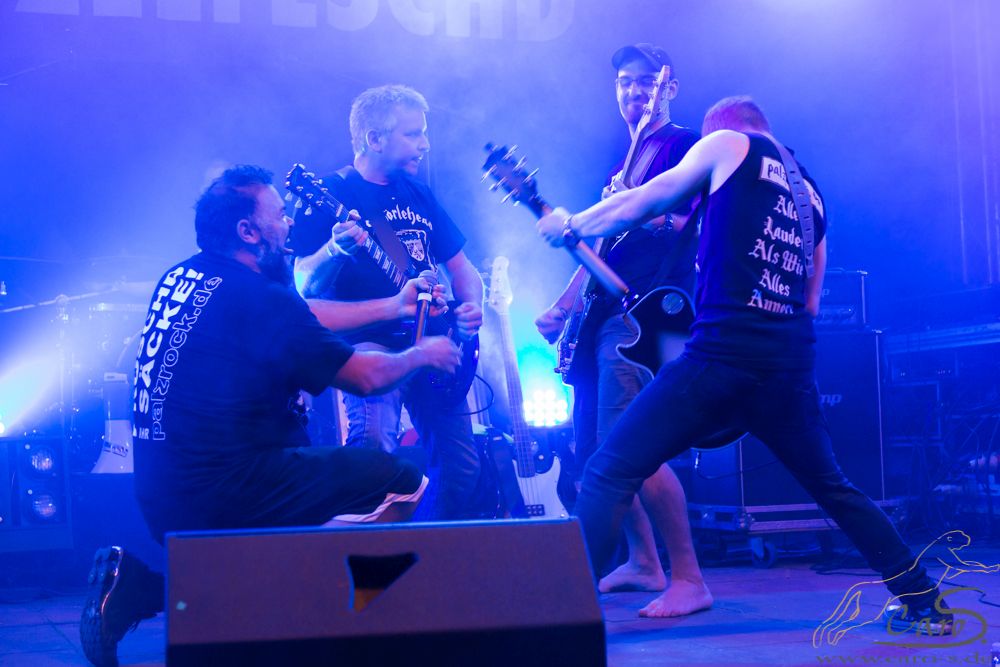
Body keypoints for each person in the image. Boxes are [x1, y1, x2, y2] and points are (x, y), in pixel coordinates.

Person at [537, 96, 953, 635]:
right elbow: (810, 303)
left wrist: (572, 225)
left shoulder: (729, 143)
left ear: (721, 130)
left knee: (607, 471)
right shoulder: (811, 196)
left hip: (721, 357)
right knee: (835, 488)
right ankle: (924, 602)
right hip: (788, 367)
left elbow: (644, 200)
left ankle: (562, 624)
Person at [80, 165, 463, 667]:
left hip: (162, 493)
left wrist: (393, 306)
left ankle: (138, 586)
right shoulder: (260, 298)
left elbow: (300, 313)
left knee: (298, 471)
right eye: (280, 216)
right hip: (224, 490)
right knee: (402, 482)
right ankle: (329, 618)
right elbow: (365, 378)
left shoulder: (182, 277)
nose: (290, 226)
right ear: (249, 231)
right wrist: (421, 353)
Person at [533, 44, 711, 617]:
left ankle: (689, 577)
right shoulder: (625, 162)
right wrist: (563, 306)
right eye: (624, 82)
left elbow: (697, 223)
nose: (634, 91)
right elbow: (601, 249)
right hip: (605, 313)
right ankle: (644, 561)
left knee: (632, 444)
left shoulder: (683, 146)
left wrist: (638, 209)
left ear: (670, 88)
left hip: (648, 312)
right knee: (594, 451)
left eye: (645, 81)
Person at [292, 84, 485, 521]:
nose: (425, 144)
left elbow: (463, 269)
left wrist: (470, 308)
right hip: (371, 345)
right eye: (413, 134)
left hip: (434, 340)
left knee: (461, 469)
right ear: (374, 139)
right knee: (372, 456)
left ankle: (427, 552)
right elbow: (301, 283)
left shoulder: (419, 193)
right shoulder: (330, 192)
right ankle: (367, 560)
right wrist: (336, 249)